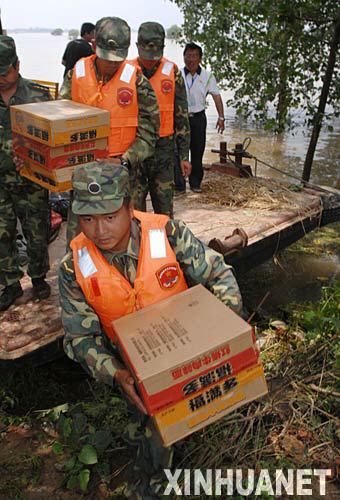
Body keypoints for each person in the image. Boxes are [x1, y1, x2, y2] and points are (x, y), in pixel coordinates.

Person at [59, 160, 243, 498]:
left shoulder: (167, 233)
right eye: (87, 219)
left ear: (131, 207)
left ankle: (154, 480)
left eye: (110, 216)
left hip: (186, 342)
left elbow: (218, 274)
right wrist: (117, 374)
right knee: (149, 419)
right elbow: (79, 338)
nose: (100, 231)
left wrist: (226, 331)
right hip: (128, 359)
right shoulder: (74, 266)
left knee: (164, 425)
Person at [59, 16, 159, 243]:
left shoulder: (137, 80)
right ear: (94, 45)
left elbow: (150, 132)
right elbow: (59, 120)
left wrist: (125, 160)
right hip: (83, 174)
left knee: (128, 239)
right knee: (79, 242)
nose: (112, 64)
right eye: (107, 58)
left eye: (118, 58)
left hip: (122, 175)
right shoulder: (77, 73)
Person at [0, 35, 51, 311]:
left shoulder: (37, 95)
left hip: (31, 180)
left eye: (4, 72)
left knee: (37, 231)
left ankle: (39, 277)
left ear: (17, 65)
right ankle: (10, 284)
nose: (0, 78)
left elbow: (52, 141)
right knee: (1, 233)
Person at [130, 22, 191, 217]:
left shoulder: (172, 72)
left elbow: (181, 116)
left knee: (164, 210)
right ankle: (139, 246)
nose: (149, 61)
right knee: (134, 210)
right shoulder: (126, 71)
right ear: (137, 45)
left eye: (154, 55)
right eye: (146, 55)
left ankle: (164, 245)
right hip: (134, 149)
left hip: (163, 149)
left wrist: (183, 156)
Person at [176, 42, 225, 194]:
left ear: (200, 59)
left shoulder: (207, 76)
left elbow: (216, 96)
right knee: (177, 152)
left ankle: (195, 183)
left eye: (194, 56)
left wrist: (221, 117)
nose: (191, 59)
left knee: (197, 152)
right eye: (188, 56)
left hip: (198, 118)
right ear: (184, 57)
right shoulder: (176, 74)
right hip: (179, 118)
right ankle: (179, 186)